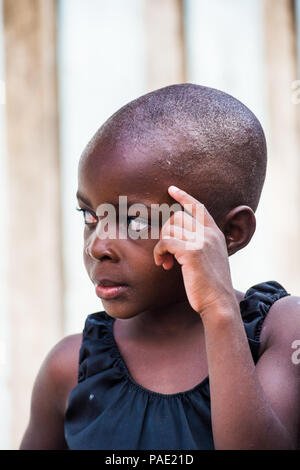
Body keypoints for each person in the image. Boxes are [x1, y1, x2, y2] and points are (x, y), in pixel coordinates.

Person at [20, 83, 300, 450]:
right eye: (89, 215)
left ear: (230, 232)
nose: (98, 245)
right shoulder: (71, 368)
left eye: (135, 220)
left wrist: (218, 311)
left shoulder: (282, 332)